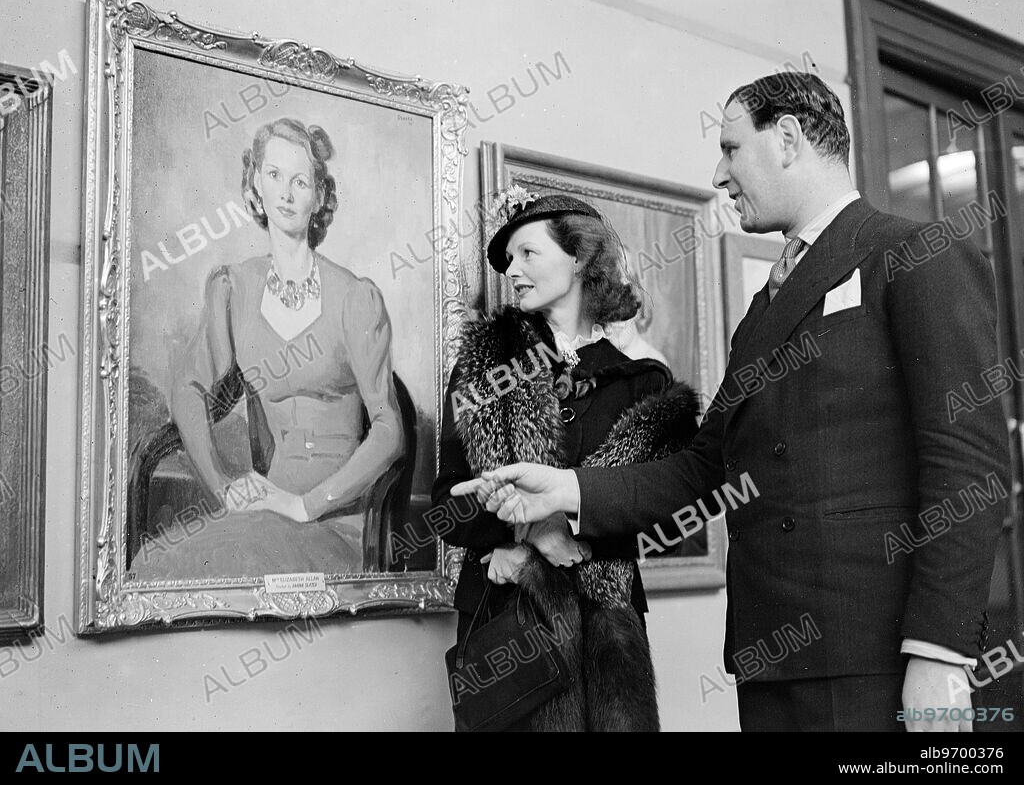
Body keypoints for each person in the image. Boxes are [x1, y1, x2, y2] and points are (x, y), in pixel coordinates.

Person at [454, 73, 1010, 732]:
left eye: (730, 147)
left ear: (788, 138)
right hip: (772, 659)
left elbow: (968, 463)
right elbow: (700, 466)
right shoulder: (761, 311)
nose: (719, 174)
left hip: (875, 658)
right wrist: (567, 489)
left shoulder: (915, 256)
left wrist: (940, 652)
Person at [433, 188, 700, 731]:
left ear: (578, 257)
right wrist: (520, 539)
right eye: (509, 261)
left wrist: (569, 525)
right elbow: (445, 508)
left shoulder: (642, 382)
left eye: (529, 254)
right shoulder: (484, 368)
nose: (514, 271)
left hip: (608, 638)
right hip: (508, 624)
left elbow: (671, 521)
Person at [133, 118, 404, 578]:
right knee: (155, 565)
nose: (286, 192)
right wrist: (221, 484)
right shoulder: (233, 289)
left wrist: (305, 505)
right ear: (255, 183)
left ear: (319, 195)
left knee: (217, 565)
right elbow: (188, 389)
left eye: (300, 181)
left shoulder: (355, 299)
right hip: (264, 510)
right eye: (274, 175)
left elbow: (389, 430)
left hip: (336, 520)